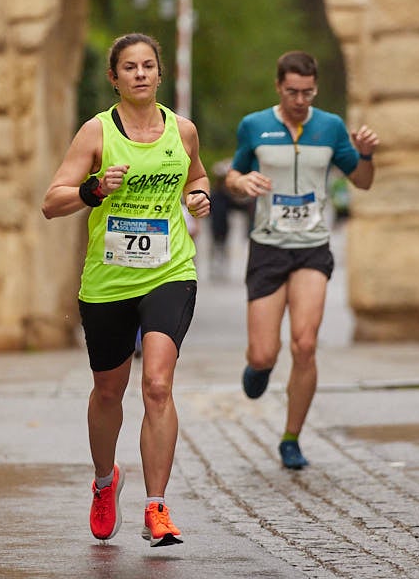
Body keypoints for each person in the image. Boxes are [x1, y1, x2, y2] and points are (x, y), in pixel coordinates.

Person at [42, 33, 211, 547]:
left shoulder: (182, 131)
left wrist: (199, 196)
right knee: (108, 391)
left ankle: (157, 507)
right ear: (114, 78)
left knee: (157, 385)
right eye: (129, 68)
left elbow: (196, 177)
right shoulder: (95, 133)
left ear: (161, 74)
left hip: (169, 271)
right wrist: (95, 189)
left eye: (148, 66)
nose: (140, 74)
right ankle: (103, 481)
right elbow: (52, 201)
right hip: (109, 279)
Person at [225, 50, 379, 469]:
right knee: (263, 354)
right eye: (292, 92)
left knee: (305, 344)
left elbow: (361, 182)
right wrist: (244, 180)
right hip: (268, 246)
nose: (299, 101)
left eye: (307, 93)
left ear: (315, 89)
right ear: (278, 87)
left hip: (311, 245)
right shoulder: (254, 126)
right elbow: (232, 177)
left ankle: (291, 437)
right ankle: (258, 368)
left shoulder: (329, 127)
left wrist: (364, 155)